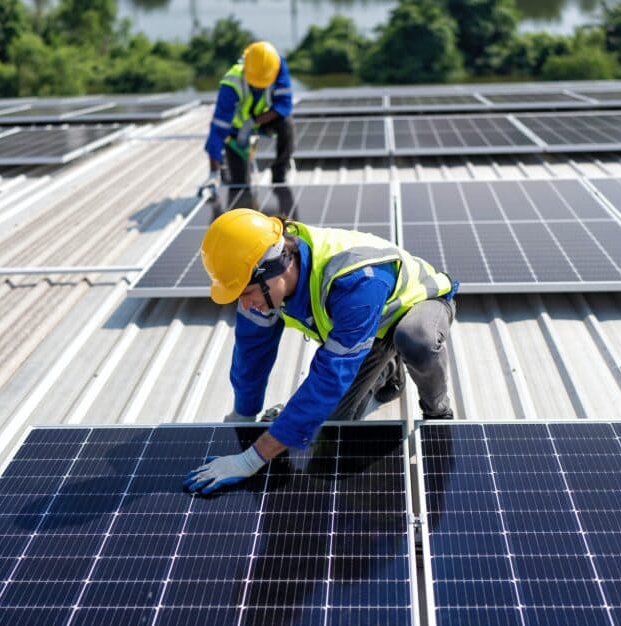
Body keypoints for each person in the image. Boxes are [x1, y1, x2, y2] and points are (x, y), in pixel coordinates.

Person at [184, 208, 458, 495]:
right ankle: (388, 370)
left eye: (246, 293)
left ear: (276, 267)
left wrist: (252, 459)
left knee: (416, 340)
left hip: (416, 305)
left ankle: (438, 412)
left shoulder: (356, 282)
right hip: (364, 332)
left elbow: (328, 377)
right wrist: (243, 416)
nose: (245, 304)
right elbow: (251, 356)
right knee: (334, 425)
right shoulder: (261, 288)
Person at [202, 41, 295, 194]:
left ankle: (279, 176)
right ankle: (225, 170)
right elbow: (219, 128)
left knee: (287, 124)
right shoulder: (231, 84)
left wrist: (253, 122)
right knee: (241, 185)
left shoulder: (276, 66)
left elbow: (284, 105)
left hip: (264, 119)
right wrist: (213, 173)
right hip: (236, 130)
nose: (259, 86)